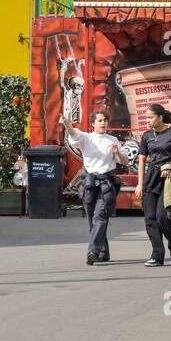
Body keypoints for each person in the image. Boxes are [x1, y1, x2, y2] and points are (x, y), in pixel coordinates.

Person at [62, 109, 127, 266]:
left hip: (106, 184)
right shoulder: (87, 138)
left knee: (100, 217)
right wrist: (67, 124)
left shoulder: (113, 140)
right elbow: (74, 134)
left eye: (105, 120)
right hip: (90, 183)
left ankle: (92, 252)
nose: (103, 123)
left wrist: (117, 152)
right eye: (100, 120)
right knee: (93, 220)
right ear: (93, 123)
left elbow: (125, 161)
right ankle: (104, 252)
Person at [134, 104, 171, 267]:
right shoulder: (146, 136)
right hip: (151, 178)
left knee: (162, 217)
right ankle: (157, 254)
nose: (147, 120)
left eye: (150, 117)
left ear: (160, 117)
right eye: (146, 117)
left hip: (169, 180)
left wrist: (170, 166)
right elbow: (142, 159)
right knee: (149, 218)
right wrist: (140, 184)